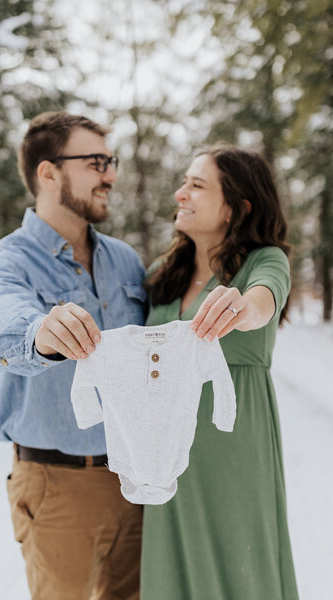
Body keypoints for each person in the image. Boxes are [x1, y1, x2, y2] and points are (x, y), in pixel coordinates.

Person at [0, 111, 146, 600]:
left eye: (110, 161)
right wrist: (44, 333)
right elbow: (6, 332)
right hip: (58, 484)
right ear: (48, 173)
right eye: (95, 162)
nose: (110, 174)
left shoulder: (126, 260)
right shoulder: (3, 263)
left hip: (137, 478)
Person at [140, 146, 299, 600]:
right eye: (184, 182)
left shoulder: (264, 261)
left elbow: (263, 301)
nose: (180, 193)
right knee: (174, 571)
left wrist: (243, 308)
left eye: (196, 184)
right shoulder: (161, 273)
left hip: (233, 447)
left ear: (237, 207)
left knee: (242, 567)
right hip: (167, 450)